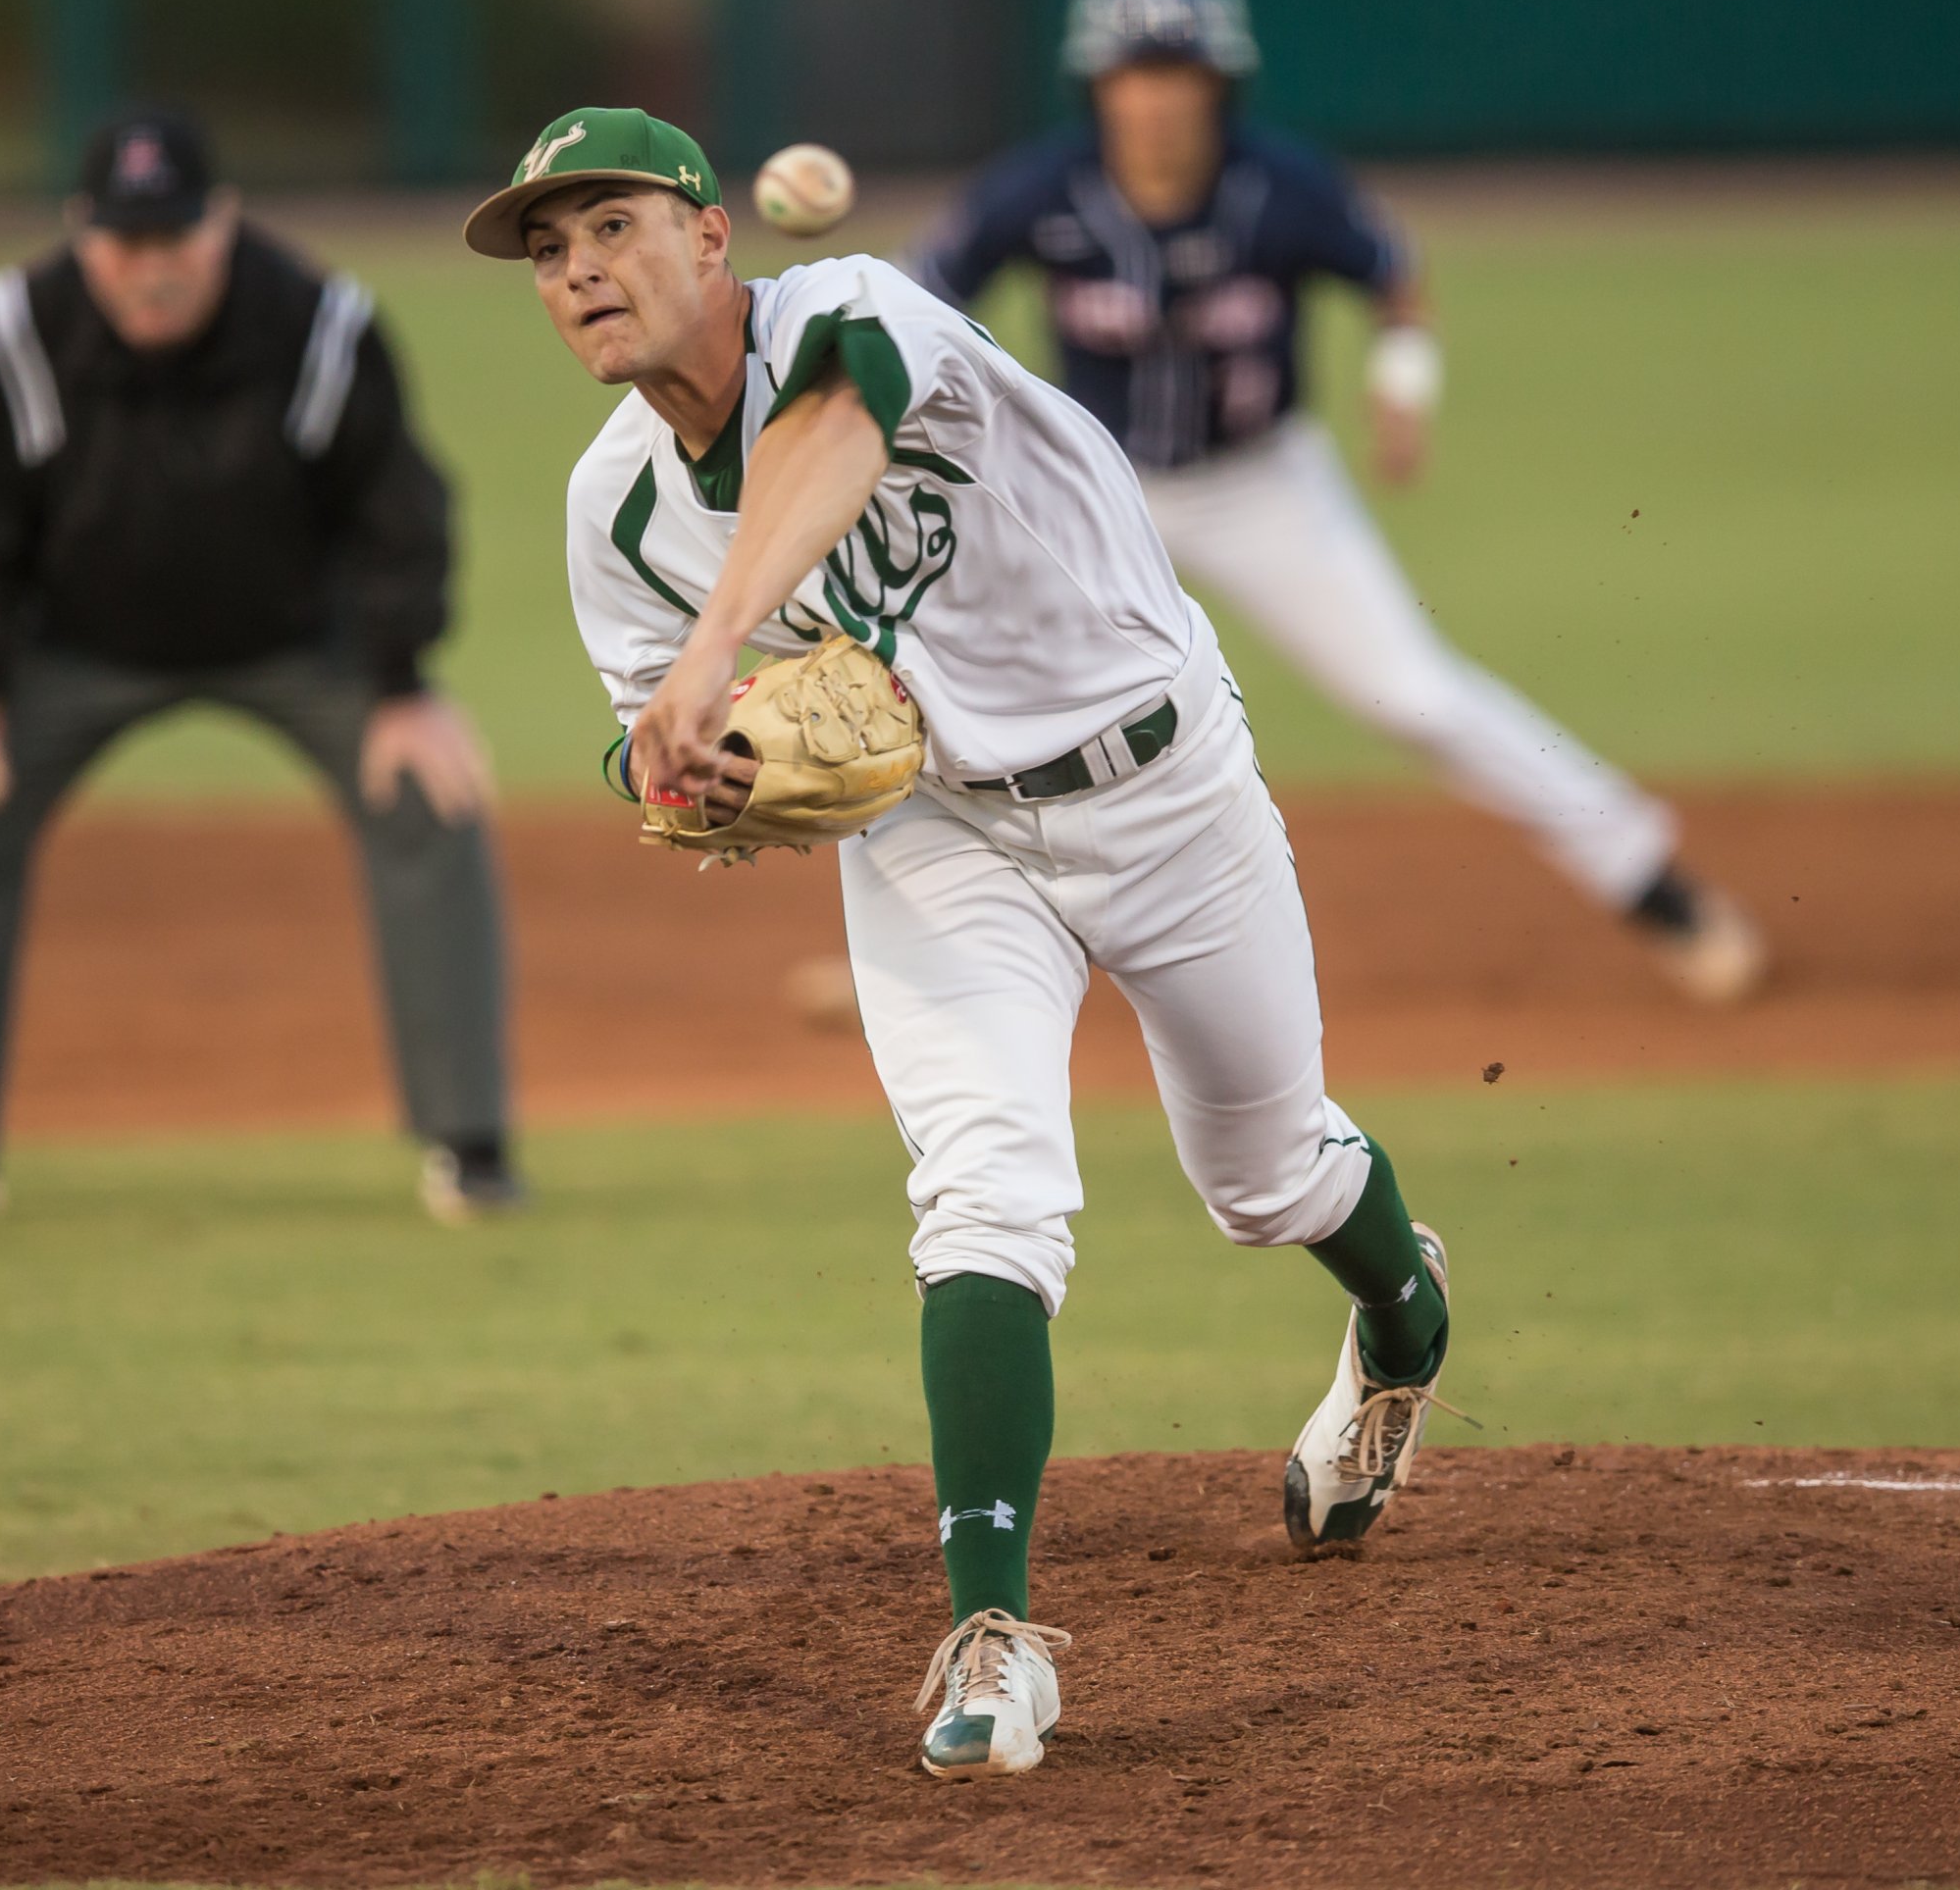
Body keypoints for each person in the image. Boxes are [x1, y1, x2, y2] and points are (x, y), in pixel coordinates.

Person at [467, 108, 1462, 1778]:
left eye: (613, 225)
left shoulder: (869, 311)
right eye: (549, 251)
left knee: (1268, 1171)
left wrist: (721, 653)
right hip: (936, 829)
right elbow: (654, 735)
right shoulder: (611, 508)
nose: (580, 270)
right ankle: (993, 1632)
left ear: (712, 237)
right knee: (988, 1184)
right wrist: (693, 770)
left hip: (1162, 776)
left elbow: (836, 432)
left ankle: (1407, 1314)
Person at [910, 0, 1766, 1002]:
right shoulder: (1037, 192)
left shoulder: (1282, 189)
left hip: (1262, 483)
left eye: (1178, 73)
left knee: (1412, 693)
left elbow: (1393, 279)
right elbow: (918, 305)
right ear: (1095, 88)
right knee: (960, 685)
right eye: (1131, 74)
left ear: (1218, 86)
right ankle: (952, 941)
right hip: (1093, 497)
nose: (1154, 98)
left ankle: (1653, 882)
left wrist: (1401, 382)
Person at [0, 108, 519, 1225]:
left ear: (225, 225)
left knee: (427, 794)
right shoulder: (16, 325)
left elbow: (398, 512)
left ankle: (470, 1143)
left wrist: (401, 687)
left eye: (175, 240)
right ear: (78, 232)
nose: (149, 271)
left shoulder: (321, 323)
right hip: (79, 645)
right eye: (122, 243)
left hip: (300, 640)